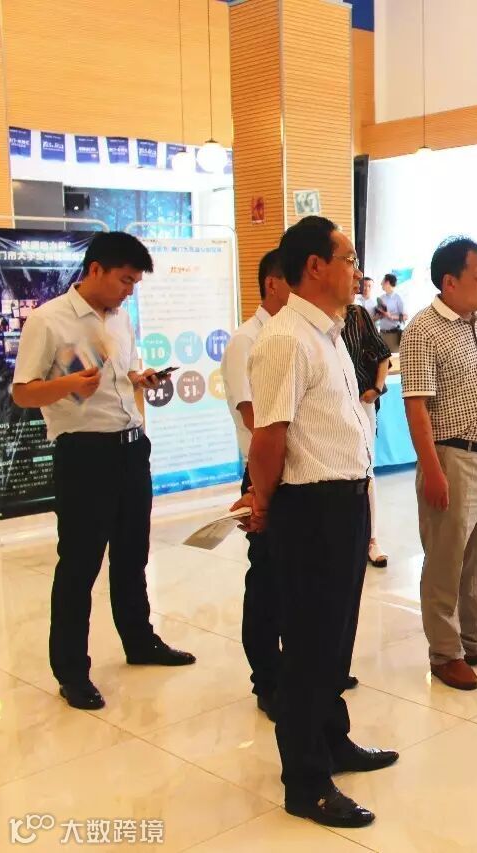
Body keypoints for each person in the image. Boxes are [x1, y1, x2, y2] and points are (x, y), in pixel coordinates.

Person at [236, 216, 397, 829]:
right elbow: (269, 436)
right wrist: (262, 503)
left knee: (336, 636)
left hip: (346, 501)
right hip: (310, 509)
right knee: (308, 647)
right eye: (348, 258)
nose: (357, 269)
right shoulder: (285, 339)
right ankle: (305, 781)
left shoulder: (329, 332)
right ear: (314, 267)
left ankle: (333, 739)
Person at [12, 231, 194, 711]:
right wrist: (69, 384)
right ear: (95, 270)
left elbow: (121, 374)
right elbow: (22, 392)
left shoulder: (121, 319)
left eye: (134, 283)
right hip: (84, 456)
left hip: (131, 449)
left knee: (133, 555)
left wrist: (139, 378)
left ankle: (140, 640)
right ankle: (71, 670)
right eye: (125, 280)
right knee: (79, 564)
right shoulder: (48, 320)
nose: (129, 291)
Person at [401, 237, 477, 692]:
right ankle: (445, 653)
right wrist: (432, 471)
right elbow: (416, 407)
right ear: (449, 282)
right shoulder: (423, 329)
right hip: (450, 457)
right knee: (446, 560)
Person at [221, 248, 289, 719]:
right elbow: (254, 417)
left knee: (295, 576)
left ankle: (300, 665)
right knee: (265, 578)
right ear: (272, 284)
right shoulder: (247, 340)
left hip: (296, 469)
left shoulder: (298, 333)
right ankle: (266, 677)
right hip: (265, 467)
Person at [341, 268, 393, 566]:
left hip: (362, 402)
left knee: (366, 468)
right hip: (333, 406)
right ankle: (349, 538)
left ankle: (372, 539)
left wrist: (376, 388)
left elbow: (383, 354)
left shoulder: (358, 315)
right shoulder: (315, 322)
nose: (357, 280)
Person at [374, 273, 405, 351]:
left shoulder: (398, 298)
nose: (381, 283)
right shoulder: (381, 298)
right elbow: (379, 315)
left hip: (393, 335)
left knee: (393, 357)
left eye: (382, 281)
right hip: (381, 334)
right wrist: (380, 314)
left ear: (387, 282)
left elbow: (405, 317)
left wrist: (390, 316)